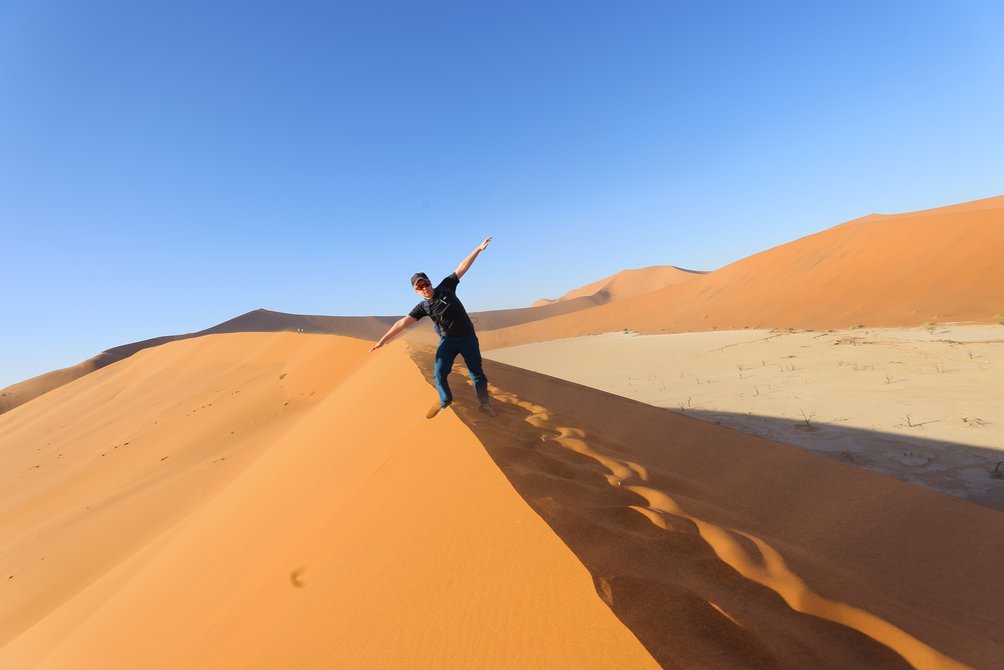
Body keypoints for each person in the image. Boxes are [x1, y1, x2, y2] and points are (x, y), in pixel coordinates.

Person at [369, 236, 495, 417]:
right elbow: (401, 323)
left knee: (476, 373)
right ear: (415, 291)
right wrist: (382, 341)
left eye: (426, 283)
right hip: (448, 342)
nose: (425, 288)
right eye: (420, 287)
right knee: (439, 374)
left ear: (430, 282)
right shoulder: (422, 307)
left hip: (467, 338)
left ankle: (485, 405)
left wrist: (478, 249)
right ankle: (445, 401)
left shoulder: (446, 287)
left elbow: (462, 267)